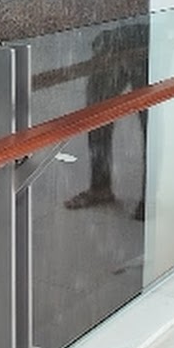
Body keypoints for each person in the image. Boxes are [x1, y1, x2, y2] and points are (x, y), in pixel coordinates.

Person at [64, 22, 149, 220]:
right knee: (97, 112)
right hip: (112, 33)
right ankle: (100, 187)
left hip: (147, 33)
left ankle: (149, 195)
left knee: (150, 121)